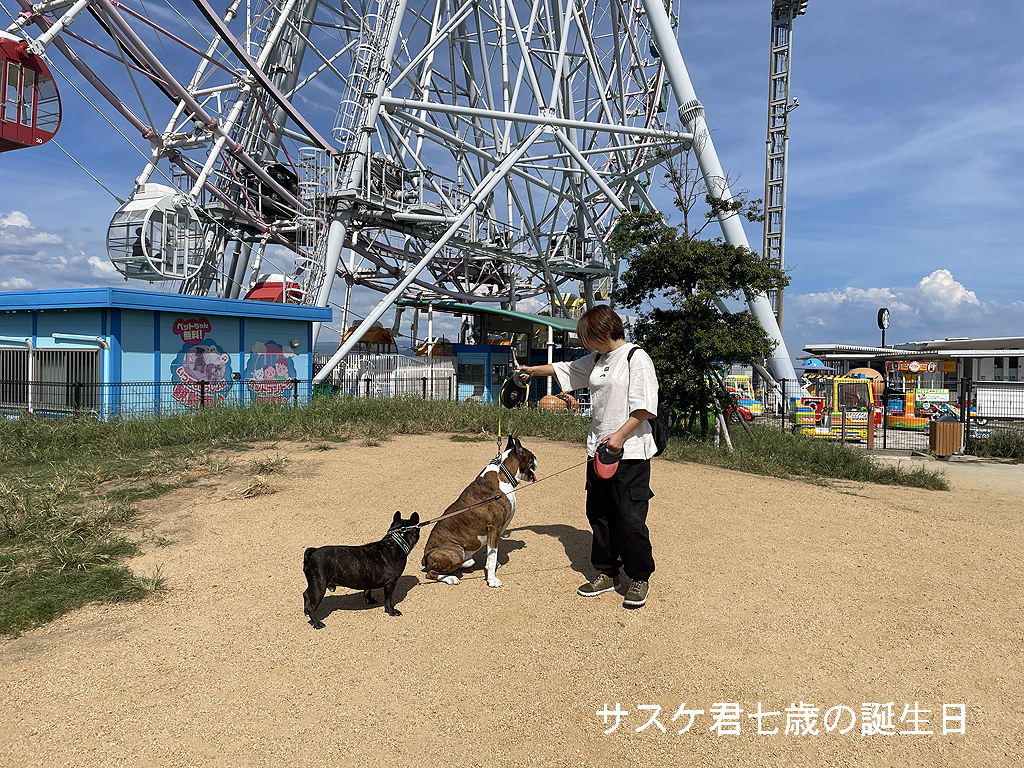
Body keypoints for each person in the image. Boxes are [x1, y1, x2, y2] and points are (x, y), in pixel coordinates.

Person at [517, 304, 659, 609]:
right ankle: (607, 572)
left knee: (629, 517)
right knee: (599, 513)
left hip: (630, 453)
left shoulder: (636, 357)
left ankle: (639, 576)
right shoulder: (598, 359)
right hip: (598, 449)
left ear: (605, 331)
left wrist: (620, 436)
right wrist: (531, 370)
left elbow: (646, 407)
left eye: (589, 337)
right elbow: (565, 369)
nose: (586, 344)